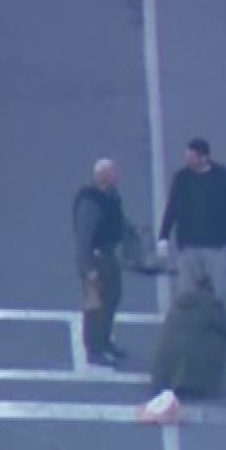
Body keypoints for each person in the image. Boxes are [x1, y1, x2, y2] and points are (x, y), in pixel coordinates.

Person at [156, 138, 226, 291]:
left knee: (220, 291)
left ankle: (218, 315)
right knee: (187, 291)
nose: (187, 161)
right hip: (188, 245)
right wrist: (164, 236)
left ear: (204, 157)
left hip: (216, 245)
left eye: (191, 157)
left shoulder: (224, 178)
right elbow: (172, 207)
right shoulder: (182, 177)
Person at [72, 157, 131, 366]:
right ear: (104, 177)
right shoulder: (90, 202)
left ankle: (105, 340)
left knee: (112, 298)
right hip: (96, 260)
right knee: (96, 305)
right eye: (114, 173)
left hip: (108, 256)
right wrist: (87, 268)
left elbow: (119, 220)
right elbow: (84, 238)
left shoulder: (110, 196)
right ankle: (94, 348)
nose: (118, 176)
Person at [149, 276, 226, 400]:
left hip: (161, 377)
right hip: (192, 375)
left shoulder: (177, 306)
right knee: (218, 334)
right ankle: (195, 381)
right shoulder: (209, 306)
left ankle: (174, 379)